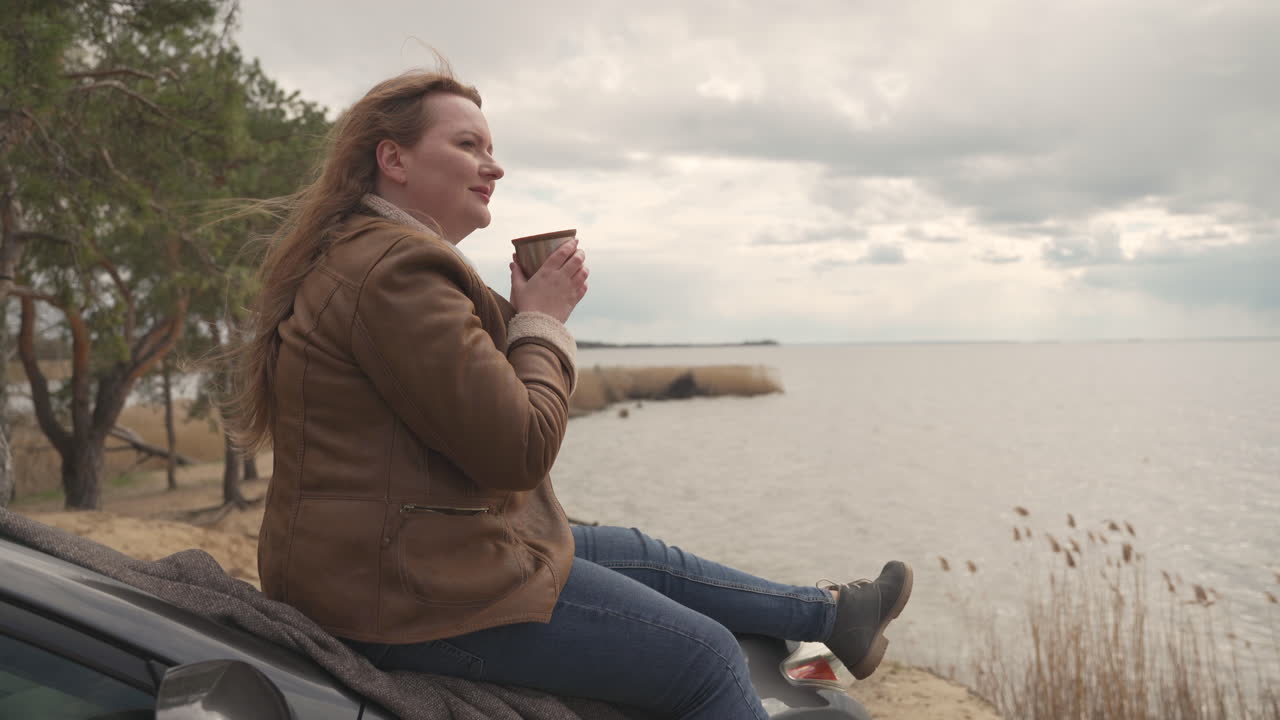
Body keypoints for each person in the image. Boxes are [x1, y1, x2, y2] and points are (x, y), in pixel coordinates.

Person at [226, 65, 912, 719]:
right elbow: (518, 448)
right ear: (394, 160)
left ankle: (832, 614)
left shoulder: (371, 254)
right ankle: (821, 622)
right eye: (468, 145)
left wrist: (523, 311)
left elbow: (458, 385)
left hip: (380, 564)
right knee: (706, 659)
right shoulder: (396, 269)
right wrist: (543, 322)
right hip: (401, 594)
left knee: (642, 553)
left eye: (492, 148)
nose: (493, 166)